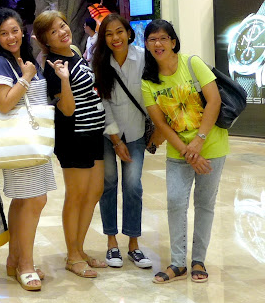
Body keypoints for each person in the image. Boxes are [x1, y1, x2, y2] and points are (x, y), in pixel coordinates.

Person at [141, 20, 228, 284]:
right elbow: (160, 123)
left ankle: (198, 260)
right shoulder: (148, 81)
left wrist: (199, 142)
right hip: (179, 152)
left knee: (204, 204)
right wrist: (187, 152)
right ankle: (178, 263)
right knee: (176, 202)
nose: (158, 44)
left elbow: (214, 101)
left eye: (163, 38)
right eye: (152, 39)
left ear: (173, 41)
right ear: (146, 45)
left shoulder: (192, 63)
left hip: (211, 145)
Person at [34, 10, 107, 278]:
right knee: (76, 195)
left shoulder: (74, 52)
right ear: (46, 41)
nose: (62, 32)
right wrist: (64, 80)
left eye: (62, 26)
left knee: (94, 191)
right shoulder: (53, 66)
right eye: (53, 32)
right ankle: (73, 256)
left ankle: (79, 248)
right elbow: (66, 109)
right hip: (74, 136)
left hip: (94, 132)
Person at [0, 8, 56, 292]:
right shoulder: (1, 63)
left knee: (26, 201)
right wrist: (26, 77)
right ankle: (25, 265)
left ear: (22, 30)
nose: (10, 37)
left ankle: (14, 259)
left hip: (35, 142)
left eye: (14, 30)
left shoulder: (26, 59)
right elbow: (4, 104)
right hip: (20, 143)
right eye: (3, 33)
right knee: (33, 200)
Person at [92, 14, 161, 269]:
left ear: (129, 33)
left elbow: (152, 94)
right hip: (107, 133)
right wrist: (115, 140)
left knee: (133, 186)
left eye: (119, 32)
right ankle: (111, 242)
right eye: (109, 34)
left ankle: (133, 244)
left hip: (135, 133)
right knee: (108, 184)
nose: (115, 38)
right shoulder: (100, 62)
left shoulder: (143, 57)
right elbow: (103, 102)